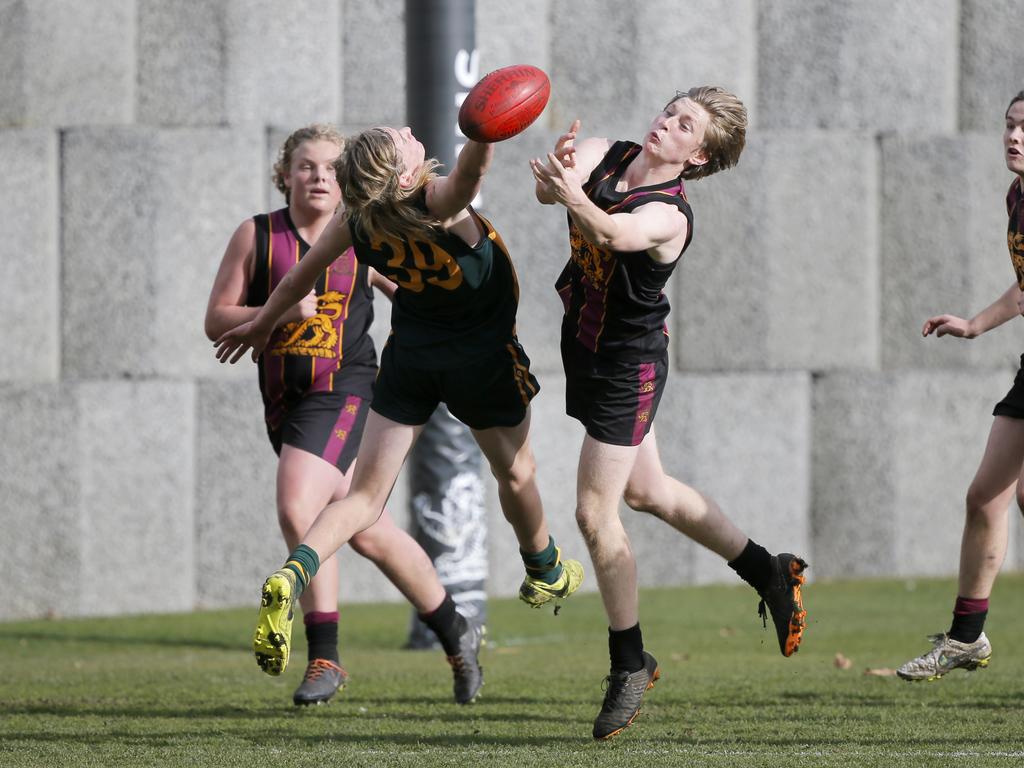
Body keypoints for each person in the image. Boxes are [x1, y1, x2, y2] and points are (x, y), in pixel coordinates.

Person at [213, 125, 585, 696]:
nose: (412, 131)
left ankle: (295, 571)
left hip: (410, 357)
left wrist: (262, 323)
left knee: (364, 500)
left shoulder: (356, 218)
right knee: (516, 471)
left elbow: (298, 278)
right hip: (477, 359)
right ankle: (544, 567)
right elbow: (471, 172)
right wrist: (485, 127)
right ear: (408, 174)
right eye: (403, 137)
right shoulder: (434, 200)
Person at [530, 87, 808, 740]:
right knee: (651, 492)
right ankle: (768, 569)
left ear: (700, 155)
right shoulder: (607, 153)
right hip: (588, 348)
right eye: (669, 110)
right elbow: (555, 196)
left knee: (595, 512)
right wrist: (558, 173)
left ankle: (630, 661)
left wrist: (571, 194)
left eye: (685, 124)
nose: (666, 124)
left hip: (631, 365)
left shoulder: (669, 215)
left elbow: (612, 231)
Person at [204, 124, 483, 705]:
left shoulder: (362, 233)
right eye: (305, 166)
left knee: (297, 504)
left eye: (331, 167)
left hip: (348, 390)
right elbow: (216, 320)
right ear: (285, 175)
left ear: (349, 179)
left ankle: (325, 657)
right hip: (286, 402)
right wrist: (274, 309)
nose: (319, 177)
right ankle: (455, 629)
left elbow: (414, 287)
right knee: (367, 531)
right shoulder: (257, 236)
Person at [896, 91, 1024, 682]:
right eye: (1009, 125)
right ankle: (966, 639)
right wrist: (974, 325)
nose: (1014, 137)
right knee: (986, 498)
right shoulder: (1018, 197)